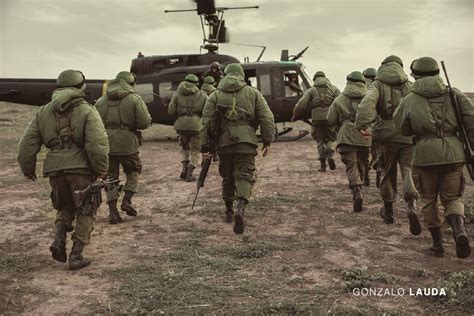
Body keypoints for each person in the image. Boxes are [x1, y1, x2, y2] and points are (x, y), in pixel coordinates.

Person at [17, 69, 109, 270]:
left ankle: (58, 240)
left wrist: (28, 168)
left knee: (65, 206)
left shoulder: (43, 111)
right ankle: (76, 255)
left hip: (55, 170)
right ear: (81, 86)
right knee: (86, 208)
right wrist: (101, 170)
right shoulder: (87, 110)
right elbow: (97, 144)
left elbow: (27, 144)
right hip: (80, 169)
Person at [394, 57, 473, 259]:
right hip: (453, 155)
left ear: (415, 75)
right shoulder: (454, 94)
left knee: (428, 199)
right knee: (453, 197)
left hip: (424, 156)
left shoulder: (409, 100)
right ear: (437, 72)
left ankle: (437, 245)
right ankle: (459, 231)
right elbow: (471, 121)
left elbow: (402, 127)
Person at [201, 63, 275, 234]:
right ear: (241, 75)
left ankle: (229, 210)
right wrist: (267, 141)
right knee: (245, 175)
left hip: (223, 143)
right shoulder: (253, 93)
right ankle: (240, 207)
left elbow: (206, 121)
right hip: (246, 142)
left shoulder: (215, 95)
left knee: (227, 176)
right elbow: (266, 117)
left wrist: (205, 146)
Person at [354, 55, 420, 236]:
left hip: (385, 133)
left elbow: (367, 103)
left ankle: (389, 212)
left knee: (387, 171)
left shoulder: (377, 84)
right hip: (408, 134)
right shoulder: (409, 85)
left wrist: (362, 125)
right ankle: (412, 205)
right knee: (408, 169)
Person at [95, 71, 151, 224]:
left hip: (107, 143)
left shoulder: (101, 100)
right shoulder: (134, 99)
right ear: (130, 83)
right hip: (128, 143)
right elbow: (144, 123)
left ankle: (113, 212)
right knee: (133, 170)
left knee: (110, 177)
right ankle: (127, 200)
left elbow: (95, 123)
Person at [327, 71, 370, 212]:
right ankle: (360, 182)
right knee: (363, 164)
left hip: (346, 135)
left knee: (351, 165)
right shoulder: (369, 98)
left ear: (348, 81)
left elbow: (331, 119)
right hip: (365, 135)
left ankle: (356, 190)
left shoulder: (340, 99)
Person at [292, 71, 340, 171]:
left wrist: (295, 115)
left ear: (315, 79)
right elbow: (341, 101)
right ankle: (330, 154)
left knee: (320, 140)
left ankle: (323, 166)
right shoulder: (333, 89)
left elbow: (301, 104)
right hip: (330, 117)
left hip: (316, 118)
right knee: (330, 138)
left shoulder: (312, 90)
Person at [168, 74, 208, 181]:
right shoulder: (202, 95)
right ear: (195, 84)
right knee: (195, 150)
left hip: (181, 125)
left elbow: (171, 111)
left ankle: (184, 169)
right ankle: (190, 172)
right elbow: (207, 111)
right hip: (196, 126)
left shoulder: (177, 94)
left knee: (184, 147)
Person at [363, 67, 379, 187]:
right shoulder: (379, 87)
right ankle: (379, 173)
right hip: (378, 124)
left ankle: (365, 176)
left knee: (364, 152)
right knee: (377, 152)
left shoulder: (362, 87)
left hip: (366, 124)